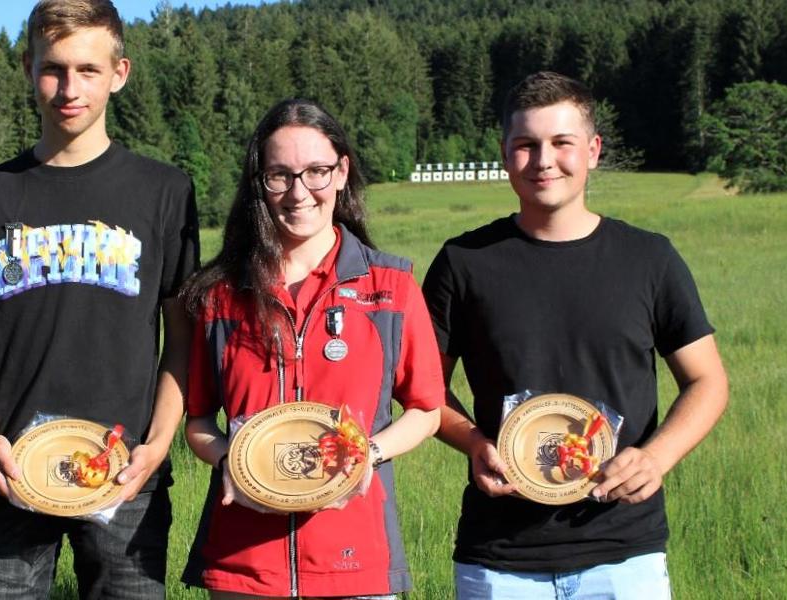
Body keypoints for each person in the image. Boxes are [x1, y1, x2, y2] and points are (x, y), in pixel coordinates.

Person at [422, 71, 729, 599]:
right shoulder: (463, 262)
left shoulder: (649, 259)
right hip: (499, 558)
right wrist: (473, 442)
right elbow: (423, 387)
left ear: (593, 150)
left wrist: (657, 458)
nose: (544, 160)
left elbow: (707, 381)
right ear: (504, 154)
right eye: (526, 144)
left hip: (624, 553)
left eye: (561, 143)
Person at [0, 1, 199, 598]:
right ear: (28, 68)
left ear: (120, 73)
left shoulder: (164, 191)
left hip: (126, 474)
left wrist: (157, 445)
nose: (68, 88)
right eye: (53, 68)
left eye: (88, 70)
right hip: (11, 471)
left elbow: (182, 340)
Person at [179, 98, 444, 599]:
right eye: (280, 175)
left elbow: (427, 409)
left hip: (355, 563)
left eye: (316, 172)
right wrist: (229, 460)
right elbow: (197, 423)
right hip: (244, 565)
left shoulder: (391, 287)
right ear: (260, 182)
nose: (299, 192)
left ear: (342, 172)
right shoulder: (221, 295)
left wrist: (370, 453)